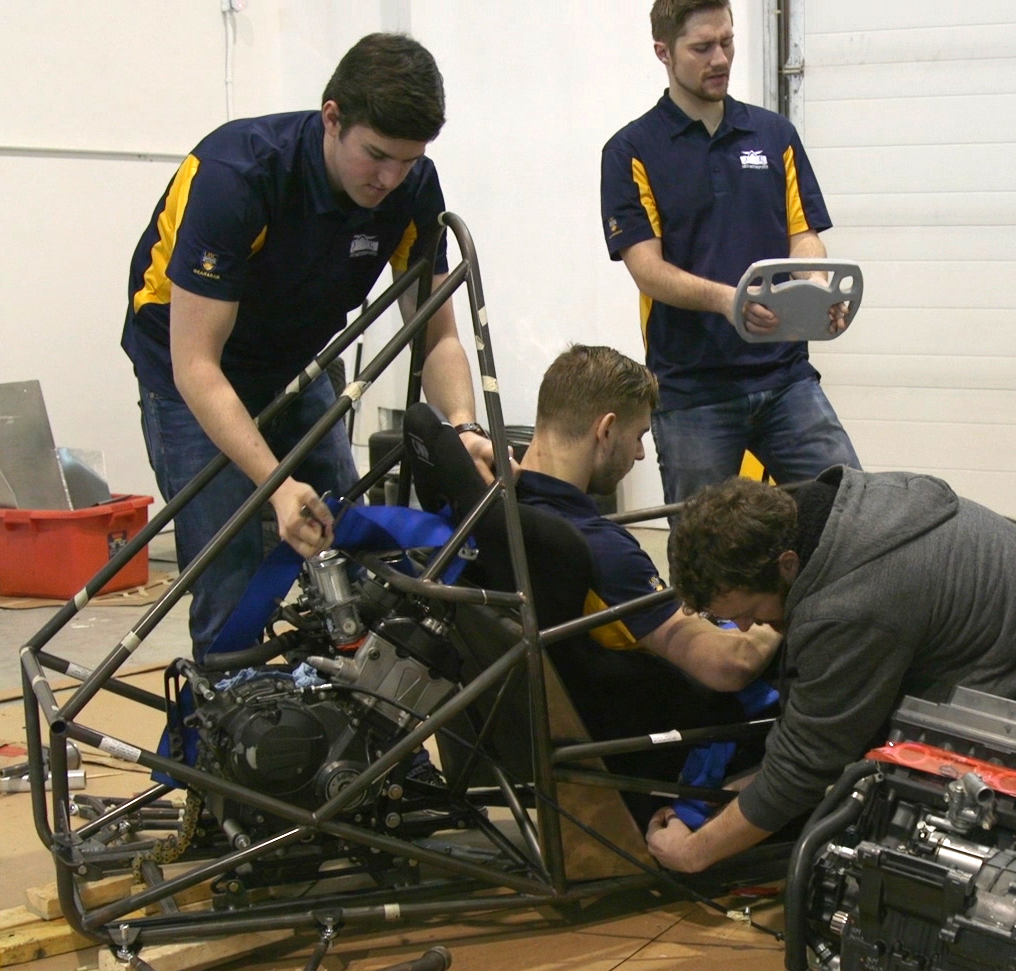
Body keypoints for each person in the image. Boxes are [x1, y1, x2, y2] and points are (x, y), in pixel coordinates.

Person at [122, 33, 494, 660]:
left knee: (352, 537)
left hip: (295, 364)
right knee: (232, 578)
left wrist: (462, 427)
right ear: (332, 118)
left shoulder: (410, 185)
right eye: (377, 156)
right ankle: (232, 729)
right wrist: (275, 483)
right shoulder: (235, 178)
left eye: (408, 161)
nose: (390, 178)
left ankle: (353, 721)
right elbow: (196, 367)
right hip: (192, 377)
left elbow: (439, 337)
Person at [642, 469, 1016, 874]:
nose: (745, 627)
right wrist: (732, 796)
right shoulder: (843, 510)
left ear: (787, 565)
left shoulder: (849, 604)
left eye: (747, 610)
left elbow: (805, 766)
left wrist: (694, 853)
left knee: (876, 871)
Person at [600, 0, 860, 505]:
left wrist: (815, 283)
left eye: (727, 41)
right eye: (702, 47)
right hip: (692, 391)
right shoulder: (631, 151)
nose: (720, 58)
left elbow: (803, 235)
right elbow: (647, 270)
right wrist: (728, 300)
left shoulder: (774, 135)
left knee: (851, 507)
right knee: (708, 554)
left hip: (786, 378)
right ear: (663, 52)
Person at [516, 343, 781, 692]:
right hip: (676, 723)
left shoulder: (499, 500)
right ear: (607, 430)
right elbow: (730, 664)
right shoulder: (602, 549)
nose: (641, 454)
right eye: (639, 435)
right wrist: (777, 612)